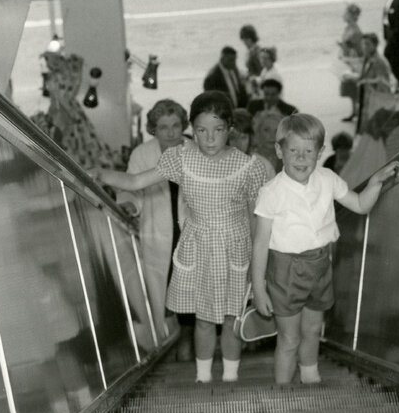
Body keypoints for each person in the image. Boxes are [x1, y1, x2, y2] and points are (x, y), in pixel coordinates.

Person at [96, 91, 271, 383]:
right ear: (194, 129)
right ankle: (203, 379)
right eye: (201, 130)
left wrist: (259, 269)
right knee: (202, 319)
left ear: (229, 128)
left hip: (235, 249)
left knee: (231, 319)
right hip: (198, 247)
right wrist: (100, 174)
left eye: (217, 130)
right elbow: (137, 181)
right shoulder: (181, 158)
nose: (210, 138)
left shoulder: (249, 166)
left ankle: (230, 377)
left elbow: (258, 220)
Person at [251, 114, 399, 384]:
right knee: (289, 337)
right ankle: (282, 392)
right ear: (279, 151)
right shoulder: (271, 192)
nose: (300, 158)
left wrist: (375, 182)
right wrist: (259, 287)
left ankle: (310, 377)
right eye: (293, 150)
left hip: (321, 263)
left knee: (312, 329)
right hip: (286, 269)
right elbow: (260, 242)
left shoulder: (328, 178)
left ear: (320, 153)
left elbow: (359, 205)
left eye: (308, 151)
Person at [114, 100, 194, 360]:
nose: (171, 132)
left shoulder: (196, 150)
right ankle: (170, 347)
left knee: (192, 298)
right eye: (163, 127)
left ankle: (188, 349)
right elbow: (131, 188)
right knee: (165, 298)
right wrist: (128, 206)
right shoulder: (142, 154)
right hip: (158, 236)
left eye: (175, 126)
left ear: (183, 125)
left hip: (191, 235)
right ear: (153, 129)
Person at [34, 37, 120, 170]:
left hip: (65, 112)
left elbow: (58, 100)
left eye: (47, 59)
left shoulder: (57, 78)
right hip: (69, 111)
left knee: (72, 143)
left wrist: (60, 112)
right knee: (81, 141)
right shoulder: (66, 75)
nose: (46, 62)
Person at [356, 32, 398, 133]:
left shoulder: (379, 61)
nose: (364, 47)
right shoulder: (367, 59)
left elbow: (383, 83)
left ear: (375, 45)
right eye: (363, 44)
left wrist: (365, 81)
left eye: (367, 44)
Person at [338, 4, 363, 121]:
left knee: (356, 89)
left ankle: (358, 112)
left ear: (352, 16)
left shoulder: (355, 31)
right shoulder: (349, 28)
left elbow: (358, 49)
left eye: (346, 13)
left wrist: (345, 47)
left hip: (354, 62)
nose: (344, 15)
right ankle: (354, 112)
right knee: (352, 90)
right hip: (348, 61)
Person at [239, 24, 264, 99]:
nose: (244, 42)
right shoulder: (252, 50)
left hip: (256, 86)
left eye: (244, 39)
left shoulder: (255, 52)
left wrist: (248, 76)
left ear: (249, 39)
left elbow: (260, 71)